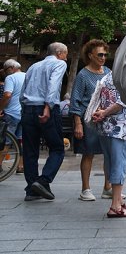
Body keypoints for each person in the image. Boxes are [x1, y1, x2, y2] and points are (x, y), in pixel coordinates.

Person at [20, 42, 68, 202]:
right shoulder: (59, 64)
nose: (66, 57)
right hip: (44, 108)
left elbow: (23, 90)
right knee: (57, 148)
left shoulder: (34, 66)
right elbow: (53, 86)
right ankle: (43, 181)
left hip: (28, 109)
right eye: (66, 54)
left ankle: (31, 189)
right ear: (59, 53)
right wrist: (48, 107)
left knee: (30, 150)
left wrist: (23, 109)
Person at [91, 72, 126, 218]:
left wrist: (102, 113)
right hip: (121, 126)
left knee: (110, 162)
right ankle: (115, 205)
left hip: (105, 127)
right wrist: (105, 112)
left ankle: (118, 200)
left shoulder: (108, 75)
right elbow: (122, 102)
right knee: (120, 163)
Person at [69, 39, 112, 201]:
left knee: (109, 154)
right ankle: (85, 189)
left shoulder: (108, 72)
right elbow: (76, 100)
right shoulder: (83, 74)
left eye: (105, 54)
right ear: (90, 55)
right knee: (88, 154)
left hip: (106, 119)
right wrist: (78, 123)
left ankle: (108, 187)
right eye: (100, 54)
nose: (103, 57)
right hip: (88, 121)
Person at [1, 59, 25, 173]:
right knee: (22, 141)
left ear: (11, 68)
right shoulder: (27, 76)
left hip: (11, 113)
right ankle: (21, 166)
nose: (5, 73)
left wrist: (0, 108)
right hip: (24, 113)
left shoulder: (10, 78)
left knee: (5, 140)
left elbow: (7, 95)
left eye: (5, 70)